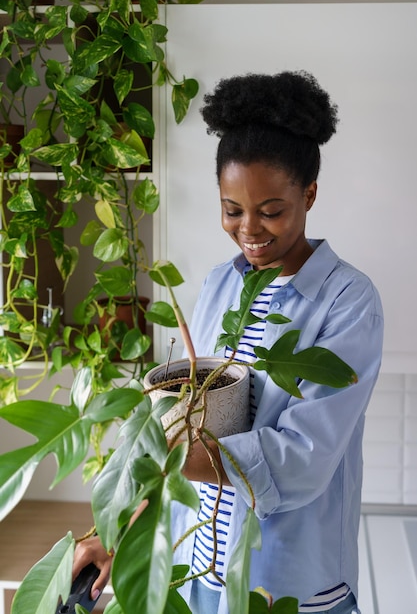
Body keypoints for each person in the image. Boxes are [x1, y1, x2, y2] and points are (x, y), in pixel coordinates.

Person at [73, 70, 383, 614]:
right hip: (201, 576)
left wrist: (162, 458)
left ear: (308, 194)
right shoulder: (222, 282)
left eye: (271, 211)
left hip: (287, 586)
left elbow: (300, 459)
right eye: (232, 210)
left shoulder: (349, 300)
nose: (249, 230)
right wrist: (121, 527)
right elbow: (193, 419)